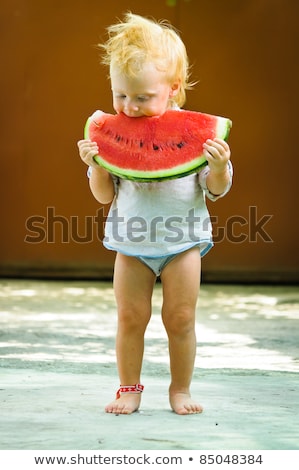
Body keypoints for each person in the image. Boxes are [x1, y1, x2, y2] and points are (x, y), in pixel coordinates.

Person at [78, 12, 233, 415]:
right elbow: (102, 197)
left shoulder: (196, 139)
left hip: (183, 244)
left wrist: (217, 167)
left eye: (142, 98)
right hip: (130, 245)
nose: (128, 108)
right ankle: (129, 388)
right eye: (120, 95)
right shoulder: (113, 134)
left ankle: (179, 390)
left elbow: (216, 190)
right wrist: (97, 164)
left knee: (180, 319)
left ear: (173, 88)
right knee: (130, 317)